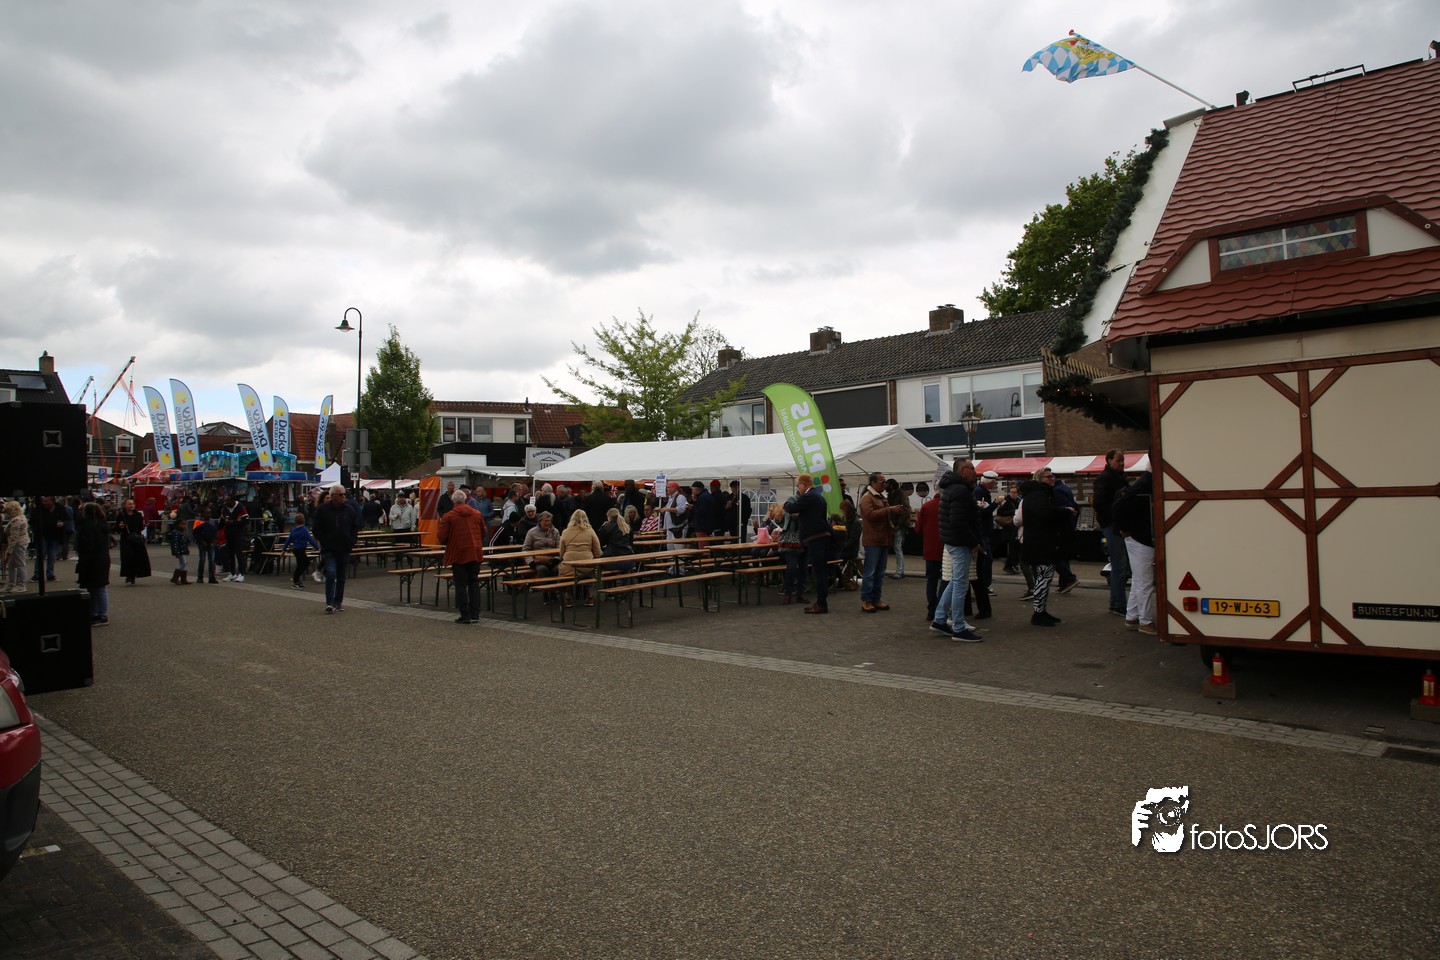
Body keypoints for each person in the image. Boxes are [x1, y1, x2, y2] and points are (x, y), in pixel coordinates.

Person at [931, 459, 984, 642]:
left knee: (955, 582)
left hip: (953, 541)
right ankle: (959, 627)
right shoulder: (961, 490)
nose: (975, 471)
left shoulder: (950, 488)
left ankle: (940, 619)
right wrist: (973, 542)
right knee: (960, 585)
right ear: (963, 471)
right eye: (972, 468)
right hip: (960, 542)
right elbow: (958, 521)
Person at [1017, 467, 1066, 627]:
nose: (1052, 479)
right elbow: (1045, 514)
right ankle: (1038, 612)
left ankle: (1041, 610)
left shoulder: (1037, 495)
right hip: (1041, 543)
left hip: (1040, 541)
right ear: (1040, 479)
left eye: (1053, 476)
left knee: (1045, 577)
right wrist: (1062, 511)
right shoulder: (1038, 496)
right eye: (1048, 477)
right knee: (1043, 577)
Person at [1113, 471, 1156, 635]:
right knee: (1144, 581)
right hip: (1142, 538)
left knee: (1140, 580)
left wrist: (1123, 529)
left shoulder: (1141, 485)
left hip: (1137, 538)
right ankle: (1145, 621)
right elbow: (1119, 506)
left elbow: (1119, 506)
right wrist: (1124, 529)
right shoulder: (1146, 484)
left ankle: (1132, 616)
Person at [1093, 449, 1132, 618]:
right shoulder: (1106, 479)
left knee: (1120, 566)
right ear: (1109, 460)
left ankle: (1116, 603)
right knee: (1119, 566)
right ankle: (1118, 604)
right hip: (1114, 526)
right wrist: (1115, 522)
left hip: (1116, 525)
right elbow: (1100, 504)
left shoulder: (1117, 477)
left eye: (1123, 460)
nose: (1122, 463)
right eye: (1118, 460)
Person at [784, 473, 830, 614]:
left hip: (815, 538)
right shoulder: (819, 497)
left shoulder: (809, 496)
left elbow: (792, 507)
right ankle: (820, 601)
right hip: (822, 537)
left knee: (818, 571)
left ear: (804, 485)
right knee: (820, 570)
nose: (798, 489)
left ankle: (821, 603)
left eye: (798, 486)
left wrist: (786, 504)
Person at [858, 472, 905, 612]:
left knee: (879, 573)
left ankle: (876, 599)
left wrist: (892, 525)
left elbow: (883, 516)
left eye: (885, 481)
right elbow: (870, 515)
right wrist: (889, 509)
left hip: (883, 539)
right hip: (873, 540)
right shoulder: (867, 498)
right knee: (870, 572)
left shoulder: (880, 497)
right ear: (873, 483)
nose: (885, 484)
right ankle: (866, 600)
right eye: (882, 481)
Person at [438, 489, 486, 624]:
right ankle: (475, 613)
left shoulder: (449, 516)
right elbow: (483, 532)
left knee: (461, 585)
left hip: (458, 552)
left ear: (453, 501)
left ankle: (465, 615)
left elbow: (441, 536)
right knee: (474, 582)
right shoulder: (477, 514)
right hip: (475, 551)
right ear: (465, 499)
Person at [313, 484, 360, 614]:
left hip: (345, 548)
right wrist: (324, 541)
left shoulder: (349, 510)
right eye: (341, 494)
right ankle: (329, 602)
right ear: (333, 496)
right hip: (330, 549)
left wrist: (351, 541)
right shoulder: (323, 510)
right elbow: (316, 528)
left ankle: (338, 602)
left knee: (341, 577)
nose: (343, 496)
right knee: (331, 573)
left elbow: (355, 526)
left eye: (344, 494)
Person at [75, 501, 111, 626]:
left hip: (91, 558)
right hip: (102, 557)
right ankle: (98, 613)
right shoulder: (102, 524)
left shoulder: (87, 526)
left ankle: (99, 614)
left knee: (96, 588)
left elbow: (87, 545)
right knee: (98, 587)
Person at [557, 509, 602, 606]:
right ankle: (590, 597)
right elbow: (597, 551)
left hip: (569, 565)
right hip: (587, 565)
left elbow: (561, 552)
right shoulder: (590, 531)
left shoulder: (565, 532)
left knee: (565, 576)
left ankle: (568, 597)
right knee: (589, 574)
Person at [1051, 474, 1081, 594]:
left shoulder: (1056, 491)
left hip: (1061, 527)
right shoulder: (1065, 488)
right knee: (1064, 556)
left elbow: (1063, 508)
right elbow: (1075, 506)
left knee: (1055, 556)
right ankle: (1064, 584)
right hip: (1068, 527)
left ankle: (1069, 579)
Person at [917, 486, 943, 622]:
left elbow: (918, 529)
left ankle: (932, 610)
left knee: (931, 580)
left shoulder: (926, 506)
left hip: (930, 549)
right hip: (947, 549)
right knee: (948, 580)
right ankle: (943, 610)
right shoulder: (949, 506)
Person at [30, 496, 66, 582]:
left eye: (46, 501)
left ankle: (50, 574)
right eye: (44, 501)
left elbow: (65, 519)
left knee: (52, 556)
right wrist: (36, 531)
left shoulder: (60, 509)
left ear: (52, 501)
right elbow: (33, 521)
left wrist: (62, 524)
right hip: (42, 535)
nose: (44, 503)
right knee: (41, 554)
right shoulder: (39, 509)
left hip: (55, 535)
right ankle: (37, 574)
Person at [116, 498, 151, 586]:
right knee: (128, 557)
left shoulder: (138, 515)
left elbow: (140, 528)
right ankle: (128, 575)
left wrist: (144, 525)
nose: (132, 505)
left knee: (137, 557)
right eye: (129, 504)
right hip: (126, 539)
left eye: (133, 504)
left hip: (136, 539)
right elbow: (116, 529)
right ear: (125, 505)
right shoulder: (121, 515)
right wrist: (120, 527)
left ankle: (134, 575)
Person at [282, 513, 321, 589]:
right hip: (301, 549)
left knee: (300, 564)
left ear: (295, 521)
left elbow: (288, 540)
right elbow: (311, 540)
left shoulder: (293, 530)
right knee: (305, 563)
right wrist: (317, 548)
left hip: (295, 549)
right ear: (304, 521)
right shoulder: (304, 530)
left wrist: (284, 550)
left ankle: (296, 579)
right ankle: (295, 579)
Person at [522, 511, 562, 577]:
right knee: (543, 569)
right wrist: (531, 562)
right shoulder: (531, 532)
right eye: (545, 521)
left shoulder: (555, 532)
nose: (548, 523)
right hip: (538, 561)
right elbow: (526, 549)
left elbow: (560, 548)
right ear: (540, 521)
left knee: (557, 569)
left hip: (552, 560)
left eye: (549, 521)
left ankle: (555, 584)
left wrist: (557, 559)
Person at [3, 501, 30, 593]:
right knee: (12, 565)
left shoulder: (16, 520)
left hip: (18, 544)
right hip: (21, 543)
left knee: (20, 565)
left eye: (7, 511)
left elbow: (14, 537)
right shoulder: (21, 517)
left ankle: (21, 585)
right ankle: (11, 584)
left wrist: (9, 550)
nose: (6, 513)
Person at [599, 507, 636, 572]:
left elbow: (600, 543)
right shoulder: (627, 527)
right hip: (628, 562)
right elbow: (631, 543)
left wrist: (602, 527)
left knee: (600, 563)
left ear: (609, 517)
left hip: (612, 562)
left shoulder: (606, 527)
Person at [995, 483, 1022, 576]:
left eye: (1014, 492)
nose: (1012, 494)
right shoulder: (1007, 501)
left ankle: (1013, 565)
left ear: (1018, 493)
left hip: (1015, 526)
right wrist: (1013, 512)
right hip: (1009, 527)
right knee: (1013, 547)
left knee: (1016, 548)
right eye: (1011, 492)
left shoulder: (1018, 501)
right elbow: (1000, 511)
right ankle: (1009, 566)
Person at [888, 479, 912, 579]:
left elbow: (906, 510)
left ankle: (899, 571)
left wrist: (899, 524)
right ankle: (900, 571)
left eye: (887, 484)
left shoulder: (901, 495)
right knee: (897, 548)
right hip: (895, 524)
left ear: (891, 485)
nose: (885, 486)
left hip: (899, 526)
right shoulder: (892, 495)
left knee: (897, 548)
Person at [223, 495, 250, 582]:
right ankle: (232, 573)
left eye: (227, 501)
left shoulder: (240, 508)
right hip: (229, 534)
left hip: (238, 534)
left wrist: (233, 522)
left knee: (239, 554)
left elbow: (245, 521)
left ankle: (241, 574)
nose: (225, 503)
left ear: (232, 500)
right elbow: (222, 519)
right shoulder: (225, 509)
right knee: (230, 554)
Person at [192, 507, 218, 583]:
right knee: (202, 560)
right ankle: (200, 577)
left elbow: (215, 531)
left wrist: (215, 539)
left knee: (212, 560)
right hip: (202, 543)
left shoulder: (213, 521)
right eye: (207, 513)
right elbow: (195, 533)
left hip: (211, 543)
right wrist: (201, 541)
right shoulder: (198, 522)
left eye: (210, 513)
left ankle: (212, 577)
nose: (209, 515)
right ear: (203, 514)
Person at [166, 519, 191, 585]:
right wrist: (176, 552)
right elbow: (175, 543)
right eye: (182, 524)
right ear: (178, 525)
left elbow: (186, 540)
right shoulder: (176, 532)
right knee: (184, 562)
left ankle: (183, 579)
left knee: (183, 563)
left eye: (184, 524)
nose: (184, 526)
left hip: (183, 549)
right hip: (179, 550)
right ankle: (175, 577)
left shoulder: (183, 532)